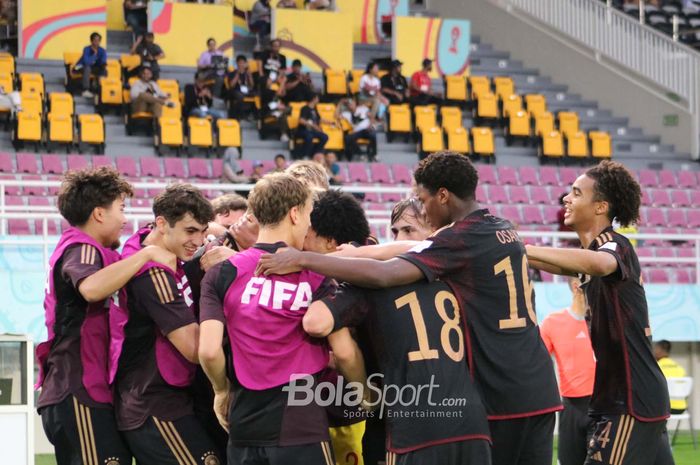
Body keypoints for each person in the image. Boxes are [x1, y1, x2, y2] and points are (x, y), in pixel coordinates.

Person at [256, 152, 562, 465]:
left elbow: (379, 277)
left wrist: (304, 259)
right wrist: (363, 253)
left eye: (423, 199)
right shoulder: (501, 228)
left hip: (485, 395)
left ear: (443, 195)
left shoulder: (451, 244)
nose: (425, 210)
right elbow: (411, 248)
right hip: (523, 390)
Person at [198, 173, 366, 465]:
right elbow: (344, 351)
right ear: (294, 213)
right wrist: (364, 392)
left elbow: (209, 351)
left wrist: (221, 391)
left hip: (244, 424)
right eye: (309, 215)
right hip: (301, 424)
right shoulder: (315, 275)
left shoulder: (221, 273)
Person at [526, 160, 671, 465]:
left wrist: (518, 248)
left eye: (576, 193)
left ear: (600, 207)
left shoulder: (614, 246)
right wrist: (515, 252)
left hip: (629, 398)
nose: (566, 198)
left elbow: (600, 264)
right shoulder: (592, 254)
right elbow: (564, 264)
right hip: (633, 394)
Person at [37, 167, 174, 465]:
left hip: (85, 390)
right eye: (121, 209)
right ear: (99, 214)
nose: (125, 219)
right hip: (77, 388)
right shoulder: (82, 247)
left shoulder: (97, 251)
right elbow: (91, 288)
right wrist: (147, 254)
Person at [111, 184, 223, 465]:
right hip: (152, 404)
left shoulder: (147, 248)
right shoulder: (154, 275)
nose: (198, 242)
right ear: (161, 224)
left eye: (202, 231)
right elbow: (194, 347)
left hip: (161, 400)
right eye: (190, 231)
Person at [539, 277, 596, 465]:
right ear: (576, 286)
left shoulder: (609, 321)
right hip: (571, 408)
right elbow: (536, 364)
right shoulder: (553, 323)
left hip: (605, 407)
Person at [654, 340, 688, 414]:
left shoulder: (656, 367)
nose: (653, 351)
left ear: (660, 350)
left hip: (664, 408)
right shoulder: (680, 367)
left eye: (655, 348)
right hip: (681, 407)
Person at [297, 93, 329, 160]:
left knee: (325, 137)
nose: (318, 100)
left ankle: (316, 153)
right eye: (317, 98)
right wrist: (313, 126)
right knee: (309, 137)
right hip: (303, 130)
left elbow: (319, 119)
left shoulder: (315, 109)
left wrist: (330, 122)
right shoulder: (305, 108)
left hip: (312, 131)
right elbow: (301, 120)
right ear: (313, 99)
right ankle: (305, 155)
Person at [226, 55, 258, 119]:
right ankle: (242, 115)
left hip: (246, 91)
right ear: (237, 63)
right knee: (240, 96)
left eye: (243, 63)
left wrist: (250, 76)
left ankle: (255, 116)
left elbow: (252, 85)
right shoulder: (233, 73)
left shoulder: (247, 73)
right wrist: (237, 74)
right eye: (240, 63)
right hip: (236, 90)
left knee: (257, 95)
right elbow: (231, 85)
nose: (242, 65)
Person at [76, 32, 107, 98]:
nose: (97, 42)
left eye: (98, 40)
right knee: (87, 68)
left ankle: (100, 89)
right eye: (95, 40)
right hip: (80, 67)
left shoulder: (102, 50)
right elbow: (86, 62)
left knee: (104, 70)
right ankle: (85, 90)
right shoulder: (86, 49)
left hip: (93, 67)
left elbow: (103, 62)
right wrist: (94, 54)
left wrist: (102, 64)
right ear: (91, 41)